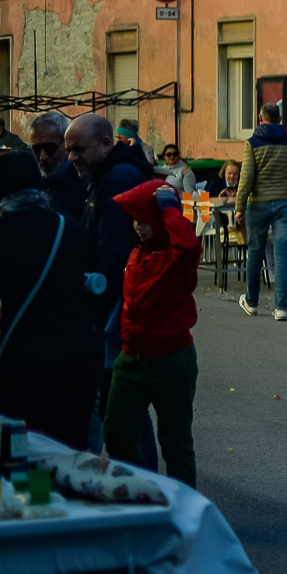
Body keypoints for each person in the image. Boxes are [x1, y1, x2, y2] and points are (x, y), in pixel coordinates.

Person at [0, 152, 104, 448]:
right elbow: (98, 290)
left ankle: (35, 495)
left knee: (23, 453)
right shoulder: (72, 229)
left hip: (25, 362)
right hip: (80, 360)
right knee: (70, 452)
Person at [104, 179, 201, 487]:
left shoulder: (176, 259)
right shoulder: (137, 254)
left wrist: (170, 208)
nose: (138, 226)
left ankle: (185, 513)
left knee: (175, 445)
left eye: (145, 219)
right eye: (135, 219)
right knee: (116, 434)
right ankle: (144, 492)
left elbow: (187, 244)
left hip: (172, 361)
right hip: (130, 359)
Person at [66, 111, 155, 364]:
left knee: (114, 389)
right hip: (117, 304)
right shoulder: (107, 174)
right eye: (68, 150)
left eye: (78, 149)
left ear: (106, 144)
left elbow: (116, 252)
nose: (71, 157)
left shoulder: (119, 177)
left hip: (118, 307)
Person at [236, 103, 287, 321]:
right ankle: (281, 308)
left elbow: (246, 178)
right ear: (280, 118)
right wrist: (285, 180)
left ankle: (252, 302)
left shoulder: (252, 143)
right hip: (284, 203)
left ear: (260, 118)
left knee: (255, 251)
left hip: (258, 205)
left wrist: (239, 207)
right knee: (283, 253)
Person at [27, 111, 83, 216]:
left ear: (67, 145)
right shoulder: (33, 184)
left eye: (50, 148)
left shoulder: (84, 185)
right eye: (36, 149)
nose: (42, 157)